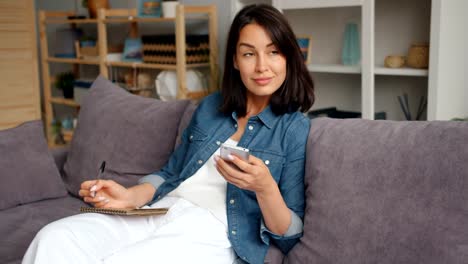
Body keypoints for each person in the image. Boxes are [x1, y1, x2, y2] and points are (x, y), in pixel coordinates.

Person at [22, 4, 314, 264]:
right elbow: (171, 173)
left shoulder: (293, 127)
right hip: (161, 210)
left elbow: (288, 234)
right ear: (235, 61)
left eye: (274, 52)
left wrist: (265, 187)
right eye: (249, 53)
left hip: (213, 230)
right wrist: (130, 196)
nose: (262, 66)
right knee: (55, 238)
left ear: (288, 57)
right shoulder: (213, 106)